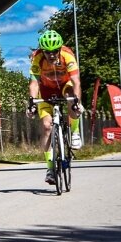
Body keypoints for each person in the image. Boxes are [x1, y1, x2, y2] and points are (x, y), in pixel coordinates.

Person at [26, 29, 84, 185]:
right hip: (45, 91)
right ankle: (50, 169)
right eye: (47, 52)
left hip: (65, 86)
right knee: (46, 127)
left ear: (60, 49)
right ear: (42, 51)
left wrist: (77, 101)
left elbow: (77, 81)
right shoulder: (37, 58)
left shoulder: (68, 55)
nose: (51, 55)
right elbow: (33, 83)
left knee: (72, 96)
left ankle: (75, 132)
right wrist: (31, 102)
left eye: (54, 51)